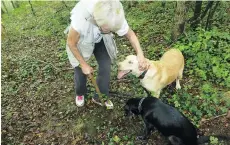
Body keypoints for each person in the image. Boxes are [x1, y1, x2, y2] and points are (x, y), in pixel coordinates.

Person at [66, 0, 148, 108]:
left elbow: (131, 35)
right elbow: (71, 43)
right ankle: (80, 93)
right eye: (108, 29)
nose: (111, 31)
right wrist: (83, 64)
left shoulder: (114, 13)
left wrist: (140, 54)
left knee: (105, 65)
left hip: (101, 38)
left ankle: (100, 96)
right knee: (80, 68)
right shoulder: (81, 19)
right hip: (82, 40)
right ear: (97, 20)